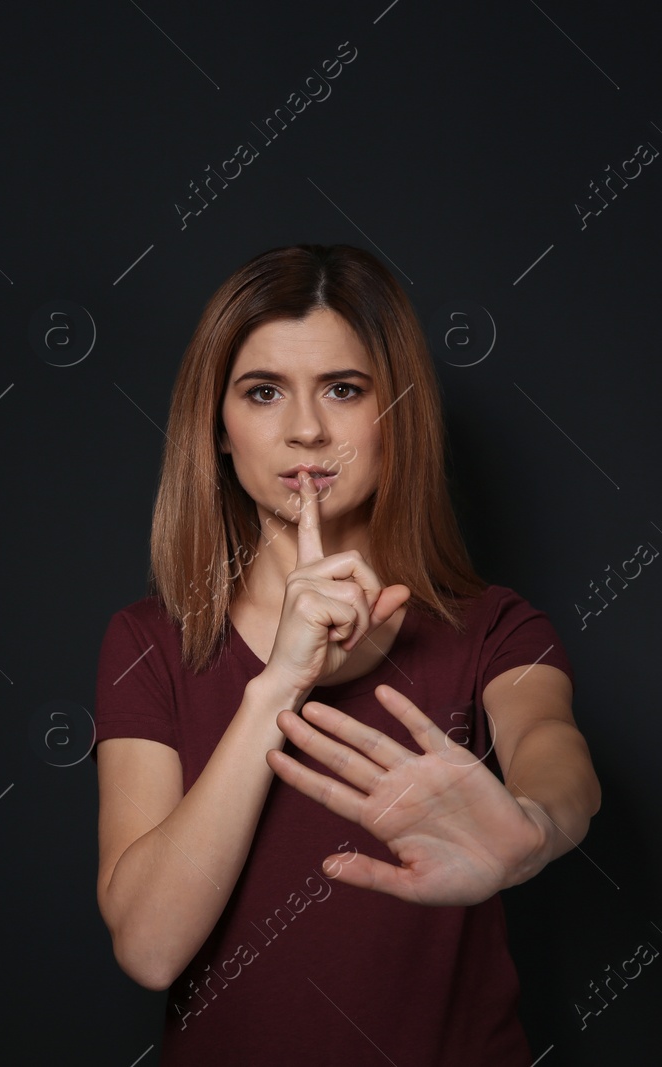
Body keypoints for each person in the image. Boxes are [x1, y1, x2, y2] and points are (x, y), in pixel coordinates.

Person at [91, 243, 601, 1065]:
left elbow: (557, 756)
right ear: (218, 428)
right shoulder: (149, 642)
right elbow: (149, 948)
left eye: (344, 388)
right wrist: (279, 683)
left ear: (395, 411)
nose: (307, 429)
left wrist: (534, 828)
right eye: (263, 392)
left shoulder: (495, 628)